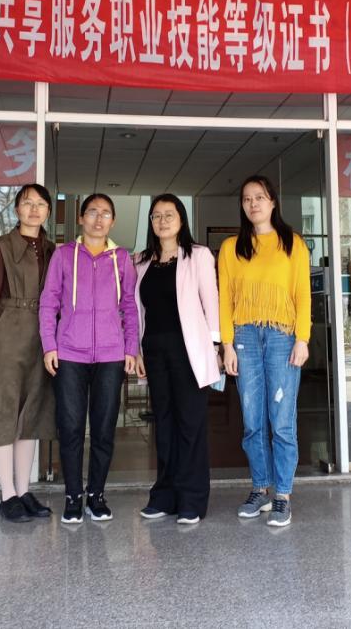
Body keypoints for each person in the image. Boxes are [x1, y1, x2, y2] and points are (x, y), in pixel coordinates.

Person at [39, 193, 139, 524]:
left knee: (104, 428)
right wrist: (49, 345)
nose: (99, 218)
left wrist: (130, 348)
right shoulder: (63, 255)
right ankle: (73, 495)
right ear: (81, 218)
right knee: (70, 427)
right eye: (92, 212)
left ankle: (96, 494)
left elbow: (130, 306)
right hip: (70, 353)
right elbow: (49, 301)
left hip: (110, 355)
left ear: (113, 221)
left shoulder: (121, 258)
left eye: (105, 213)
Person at [219, 175, 311, 527]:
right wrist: (227, 345)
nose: (253, 203)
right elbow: (225, 298)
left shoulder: (293, 243)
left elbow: (302, 293)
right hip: (244, 336)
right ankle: (260, 488)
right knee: (252, 420)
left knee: (282, 420)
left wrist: (302, 338)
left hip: (282, 335)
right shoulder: (231, 247)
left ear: (273, 201)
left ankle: (283, 495)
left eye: (259, 197)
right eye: (247, 199)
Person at [133, 194, 221, 525]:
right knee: (164, 424)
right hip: (154, 351)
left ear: (181, 219)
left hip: (189, 351)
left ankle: (191, 499)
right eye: (156, 216)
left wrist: (216, 345)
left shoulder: (198, 255)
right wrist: (137, 350)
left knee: (190, 424)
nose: (162, 221)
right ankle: (164, 496)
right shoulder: (141, 261)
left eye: (169, 214)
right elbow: (137, 311)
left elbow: (211, 302)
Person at [0, 183, 57, 523]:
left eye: (40, 204)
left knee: (31, 416)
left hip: (42, 335)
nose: (34, 209)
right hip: (8, 332)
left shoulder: (53, 250)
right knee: (5, 412)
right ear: (16, 209)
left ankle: (24, 491)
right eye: (27, 203)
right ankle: (7, 495)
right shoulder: (1, 246)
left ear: (48, 211)